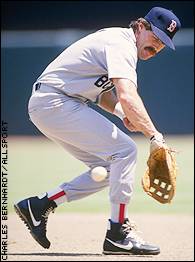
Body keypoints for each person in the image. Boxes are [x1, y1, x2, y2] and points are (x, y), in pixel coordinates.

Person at [14, 7, 181, 255]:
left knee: (111, 168)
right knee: (126, 151)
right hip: (56, 101)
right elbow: (127, 94)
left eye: (163, 44)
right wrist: (155, 136)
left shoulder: (119, 44)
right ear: (141, 26)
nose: (156, 47)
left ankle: (39, 206)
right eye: (155, 37)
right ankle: (117, 233)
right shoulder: (121, 44)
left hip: (52, 103)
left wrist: (123, 115)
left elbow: (102, 94)